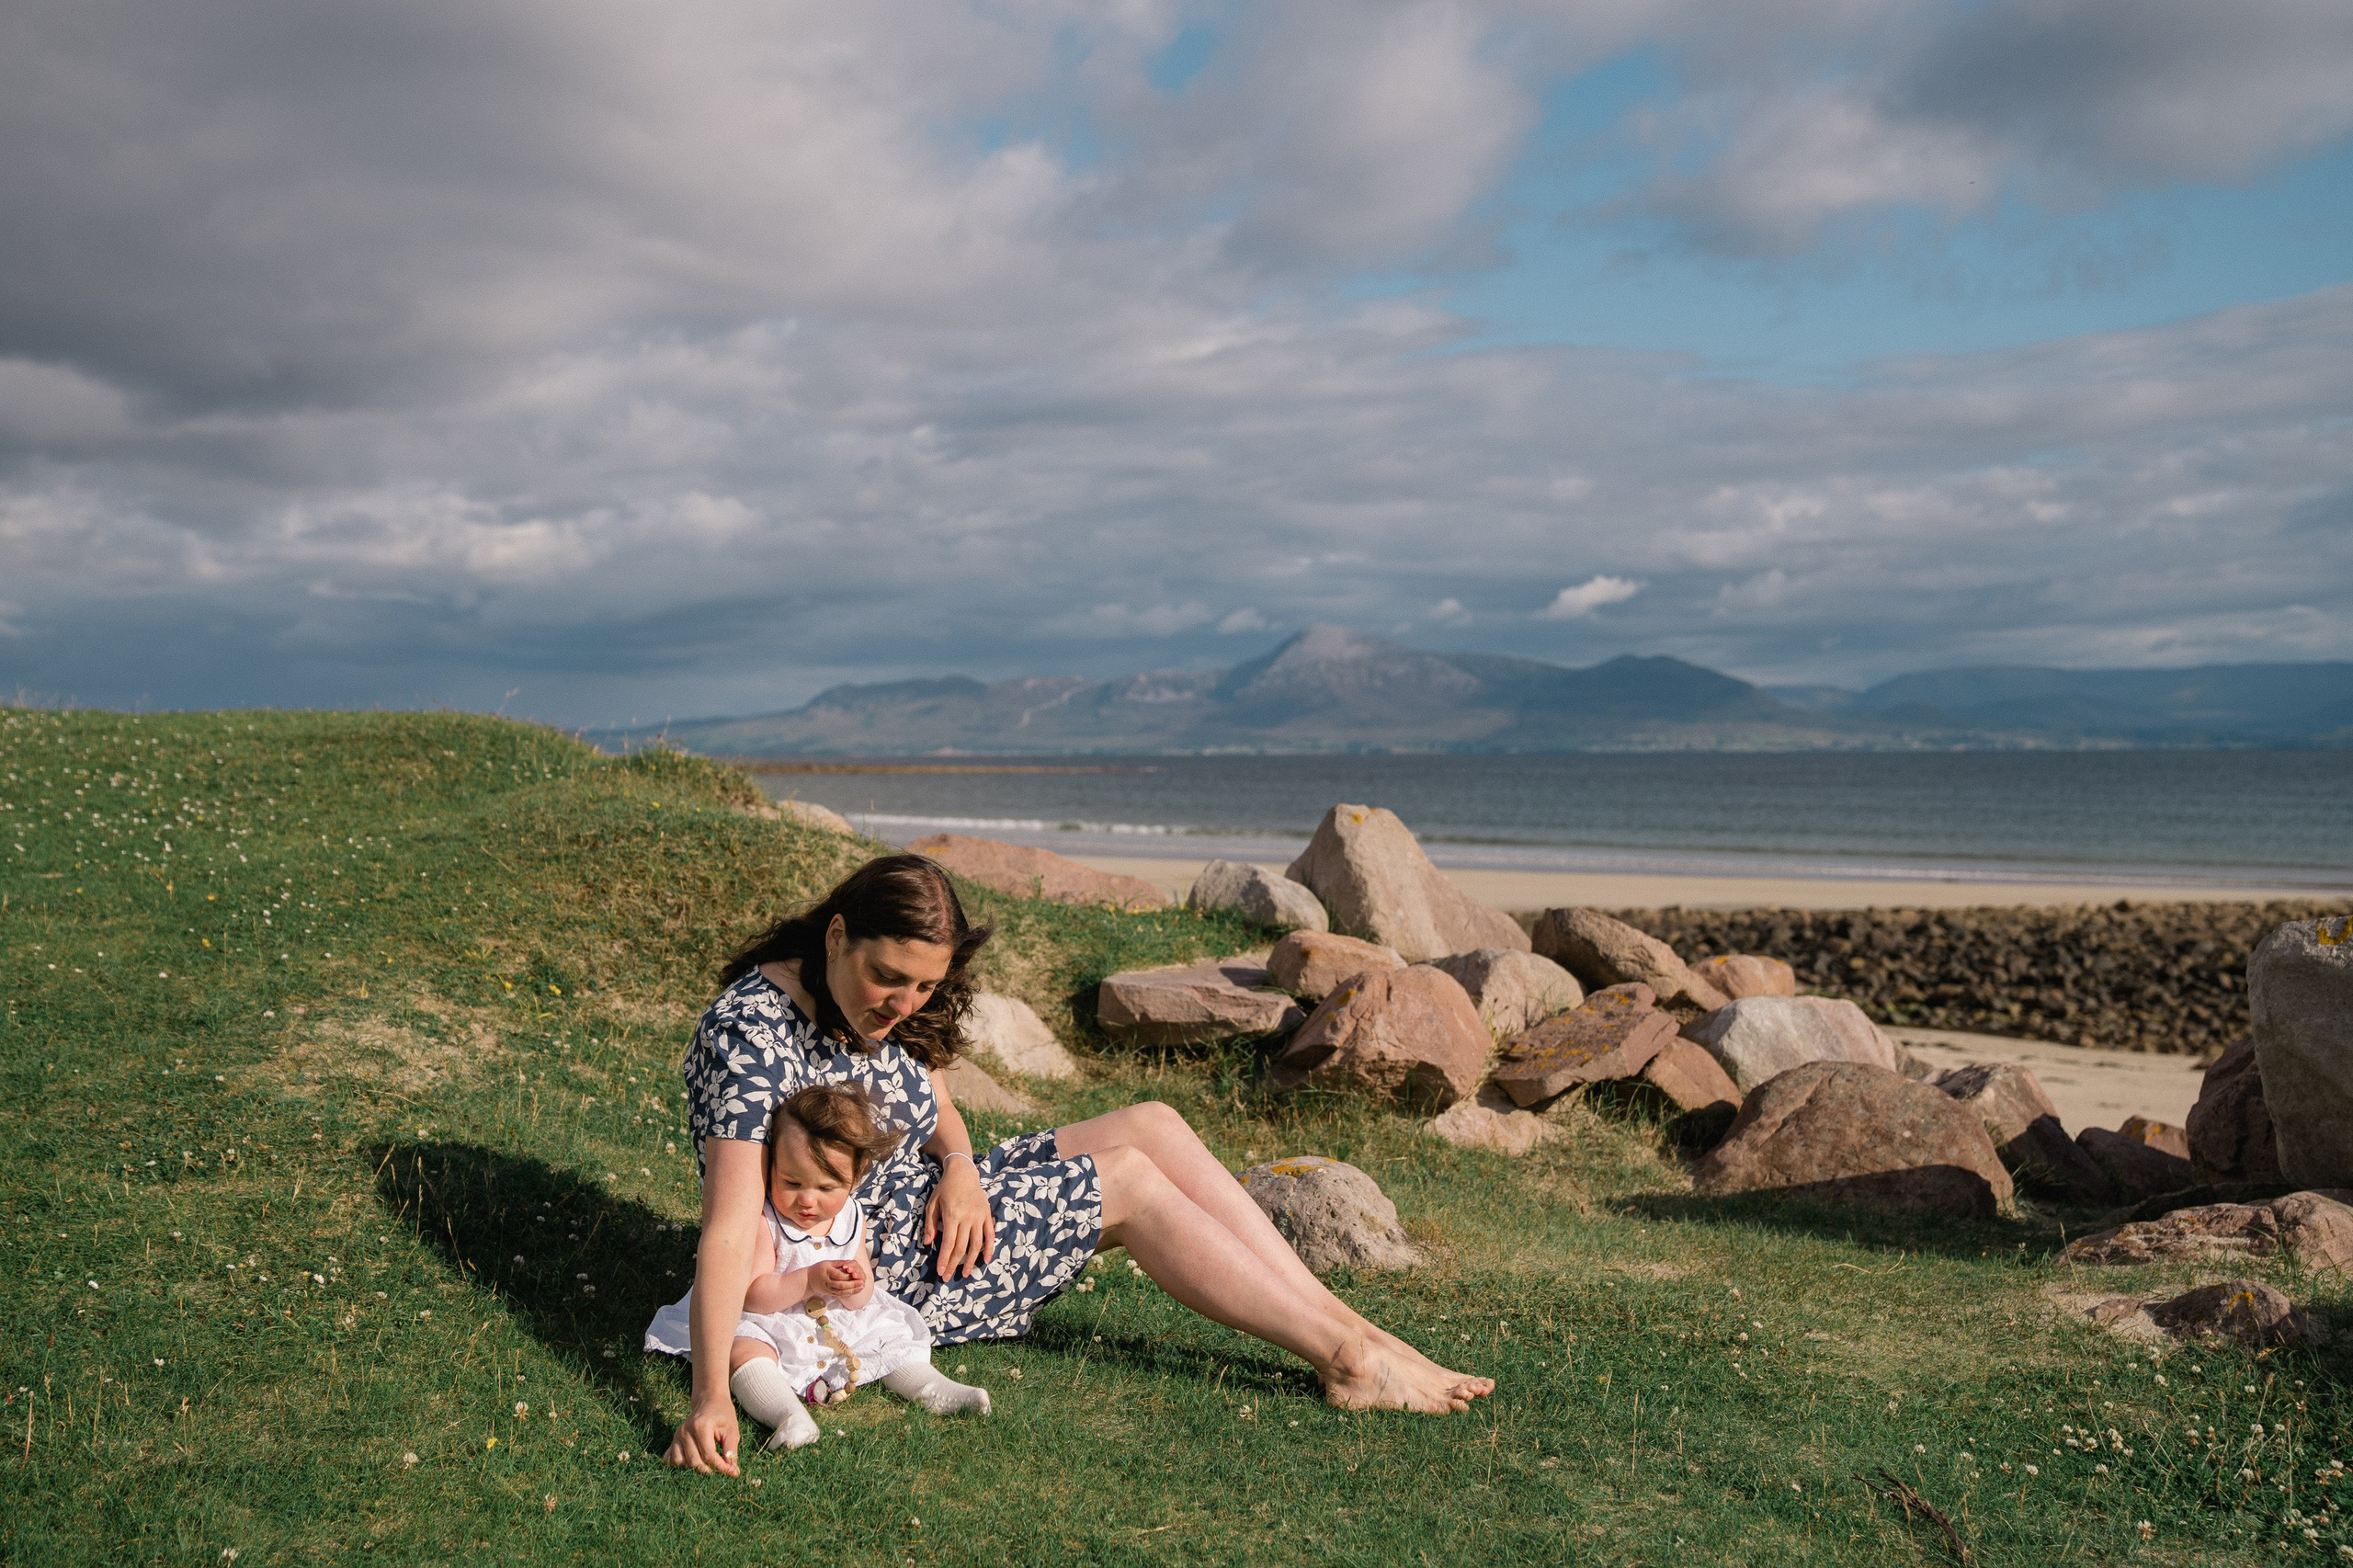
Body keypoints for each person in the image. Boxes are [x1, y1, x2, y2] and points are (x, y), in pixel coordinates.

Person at [662, 854, 1491, 1475]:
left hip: (935, 1199)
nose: (904, 1004)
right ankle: (1347, 1359)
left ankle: (1358, 1331)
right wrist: (707, 1399)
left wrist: (959, 1167)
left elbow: (936, 1107)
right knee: (1125, 1179)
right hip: (869, 1268)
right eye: (889, 979)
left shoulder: (880, 1007)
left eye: (923, 988)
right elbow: (732, 1230)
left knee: (1154, 1124)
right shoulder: (753, 1036)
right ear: (837, 935)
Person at [642, 1083, 990, 1449]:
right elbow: (753, 1294)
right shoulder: (766, 1220)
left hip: (835, 1321)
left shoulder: (851, 1217)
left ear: (855, 1177)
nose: (807, 1200)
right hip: (770, 1320)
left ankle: (933, 1388)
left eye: (827, 1188)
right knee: (745, 1349)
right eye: (792, 1182)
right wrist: (809, 1280)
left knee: (889, 1337)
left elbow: (863, 1293)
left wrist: (855, 1284)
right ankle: (788, 1416)